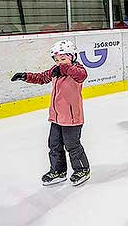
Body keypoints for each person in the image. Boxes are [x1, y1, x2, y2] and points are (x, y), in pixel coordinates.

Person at [11, 40, 91, 186]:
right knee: (54, 144)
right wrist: (25, 76)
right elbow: (42, 77)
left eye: (64, 59)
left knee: (72, 145)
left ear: (72, 57)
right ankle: (58, 171)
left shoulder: (76, 69)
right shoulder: (56, 70)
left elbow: (82, 76)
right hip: (56, 116)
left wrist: (64, 68)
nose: (60, 63)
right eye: (57, 60)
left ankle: (82, 169)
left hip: (72, 118)